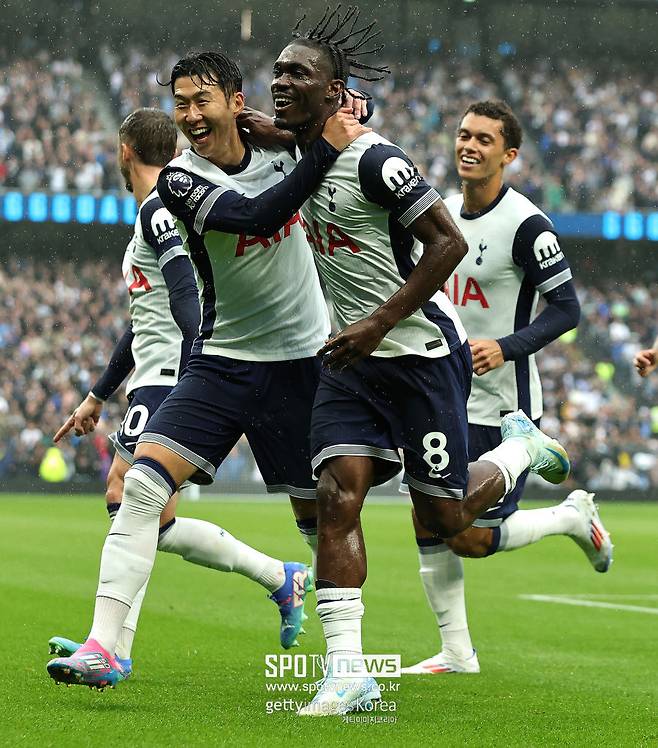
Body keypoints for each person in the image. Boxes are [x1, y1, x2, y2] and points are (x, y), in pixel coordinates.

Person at [269, 7, 571, 716]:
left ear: (334, 90)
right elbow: (263, 130)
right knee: (336, 497)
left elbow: (447, 244)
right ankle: (346, 671)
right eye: (276, 71)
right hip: (351, 361)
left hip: (422, 354)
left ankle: (520, 449)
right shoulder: (294, 149)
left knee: (445, 519)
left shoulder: (378, 160)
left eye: (297, 73)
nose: (280, 82)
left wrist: (378, 321)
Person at [46, 52, 368, 690]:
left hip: (302, 360)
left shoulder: (285, 146)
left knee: (323, 515)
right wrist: (319, 146)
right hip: (222, 359)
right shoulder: (179, 183)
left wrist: (334, 119)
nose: (191, 115)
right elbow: (256, 217)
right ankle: (104, 647)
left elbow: (353, 120)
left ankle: (348, 667)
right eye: (181, 103)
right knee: (141, 487)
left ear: (236, 102)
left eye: (203, 101)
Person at [400, 100, 612, 677]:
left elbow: (566, 309)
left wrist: (506, 346)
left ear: (509, 154)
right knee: (427, 513)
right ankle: (456, 653)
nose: (469, 146)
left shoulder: (527, 225)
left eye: (484, 140)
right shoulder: (439, 214)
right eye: (464, 135)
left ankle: (569, 518)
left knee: (468, 537)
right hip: (441, 395)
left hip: (503, 407)